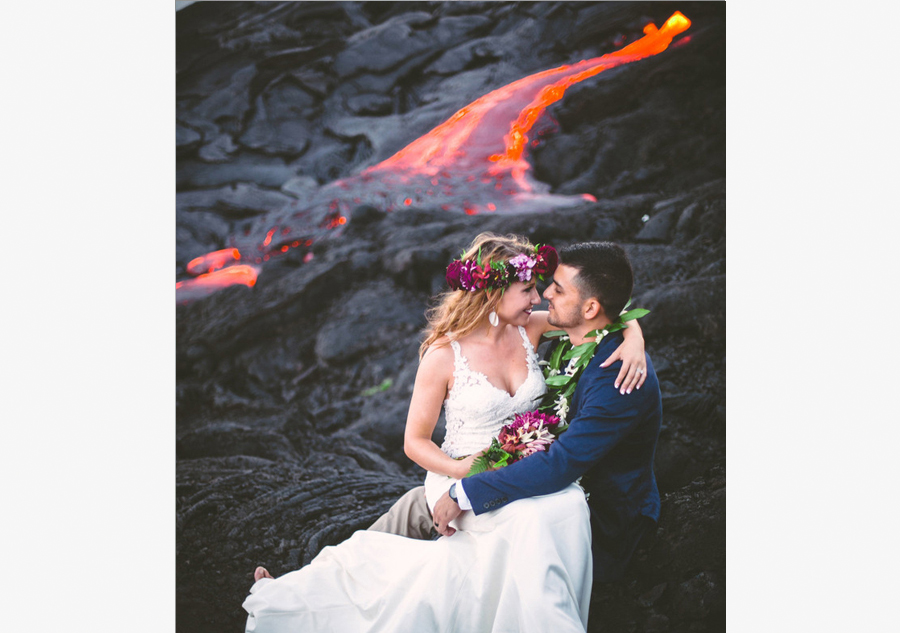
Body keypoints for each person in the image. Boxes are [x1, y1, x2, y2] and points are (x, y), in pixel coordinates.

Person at [242, 233, 647, 633]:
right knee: (531, 524)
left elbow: (597, 320)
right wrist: (459, 469)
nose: (538, 299)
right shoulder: (442, 356)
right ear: (492, 295)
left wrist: (635, 338)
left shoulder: (532, 329)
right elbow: (414, 442)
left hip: (515, 468)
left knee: (536, 522)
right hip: (460, 472)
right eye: (527, 290)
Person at [433, 241, 662, 585]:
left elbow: (561, 464)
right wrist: (634, 330)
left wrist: (464, 492)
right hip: (538, 479)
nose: (545, 295)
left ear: (589, 309)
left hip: (602, 518)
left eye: (557, 288)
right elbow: (612, 306)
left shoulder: (619, 377)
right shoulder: (575, 338)